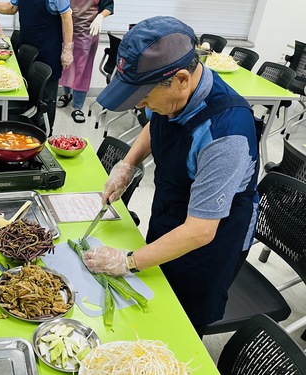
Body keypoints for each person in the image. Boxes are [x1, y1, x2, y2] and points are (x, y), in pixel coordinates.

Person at [86, 16, 260, 332]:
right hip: (174, 204)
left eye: (144, 97)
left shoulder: (226, 134)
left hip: (210, 237)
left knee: (178, 321)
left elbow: (199, 231)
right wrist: (128, 164)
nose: (140, 104)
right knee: (154, 290)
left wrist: (127, 262)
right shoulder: (171, 94)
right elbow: (156, 125)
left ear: (181, 79)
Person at [0, 0, 73, 132]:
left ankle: (45, 133)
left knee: (46, 98)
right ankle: (26, 130)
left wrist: (67, 49)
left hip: (49, 49)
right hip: (28, 46)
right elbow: (11, 8)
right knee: (28, 92)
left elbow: (66, 17)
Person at [57, 0, 114, 123]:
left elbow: (109, 5)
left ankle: (77, 107)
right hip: (67, 28)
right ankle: (67, 95)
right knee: (66, 65)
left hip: (87, 31)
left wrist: (100, 16)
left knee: (82, 69)